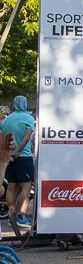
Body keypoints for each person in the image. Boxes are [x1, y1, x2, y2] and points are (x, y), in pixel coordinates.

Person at [1, 96, 34, 228]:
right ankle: (21, 216)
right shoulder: (28, 118)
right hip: (23, 156)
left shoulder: (7, 119)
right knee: (26, 186)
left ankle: (11, 216)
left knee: (12, 187)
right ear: (25, 104)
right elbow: (26, 139)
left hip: (8, 157)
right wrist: (18, 151)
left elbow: (3, 136)